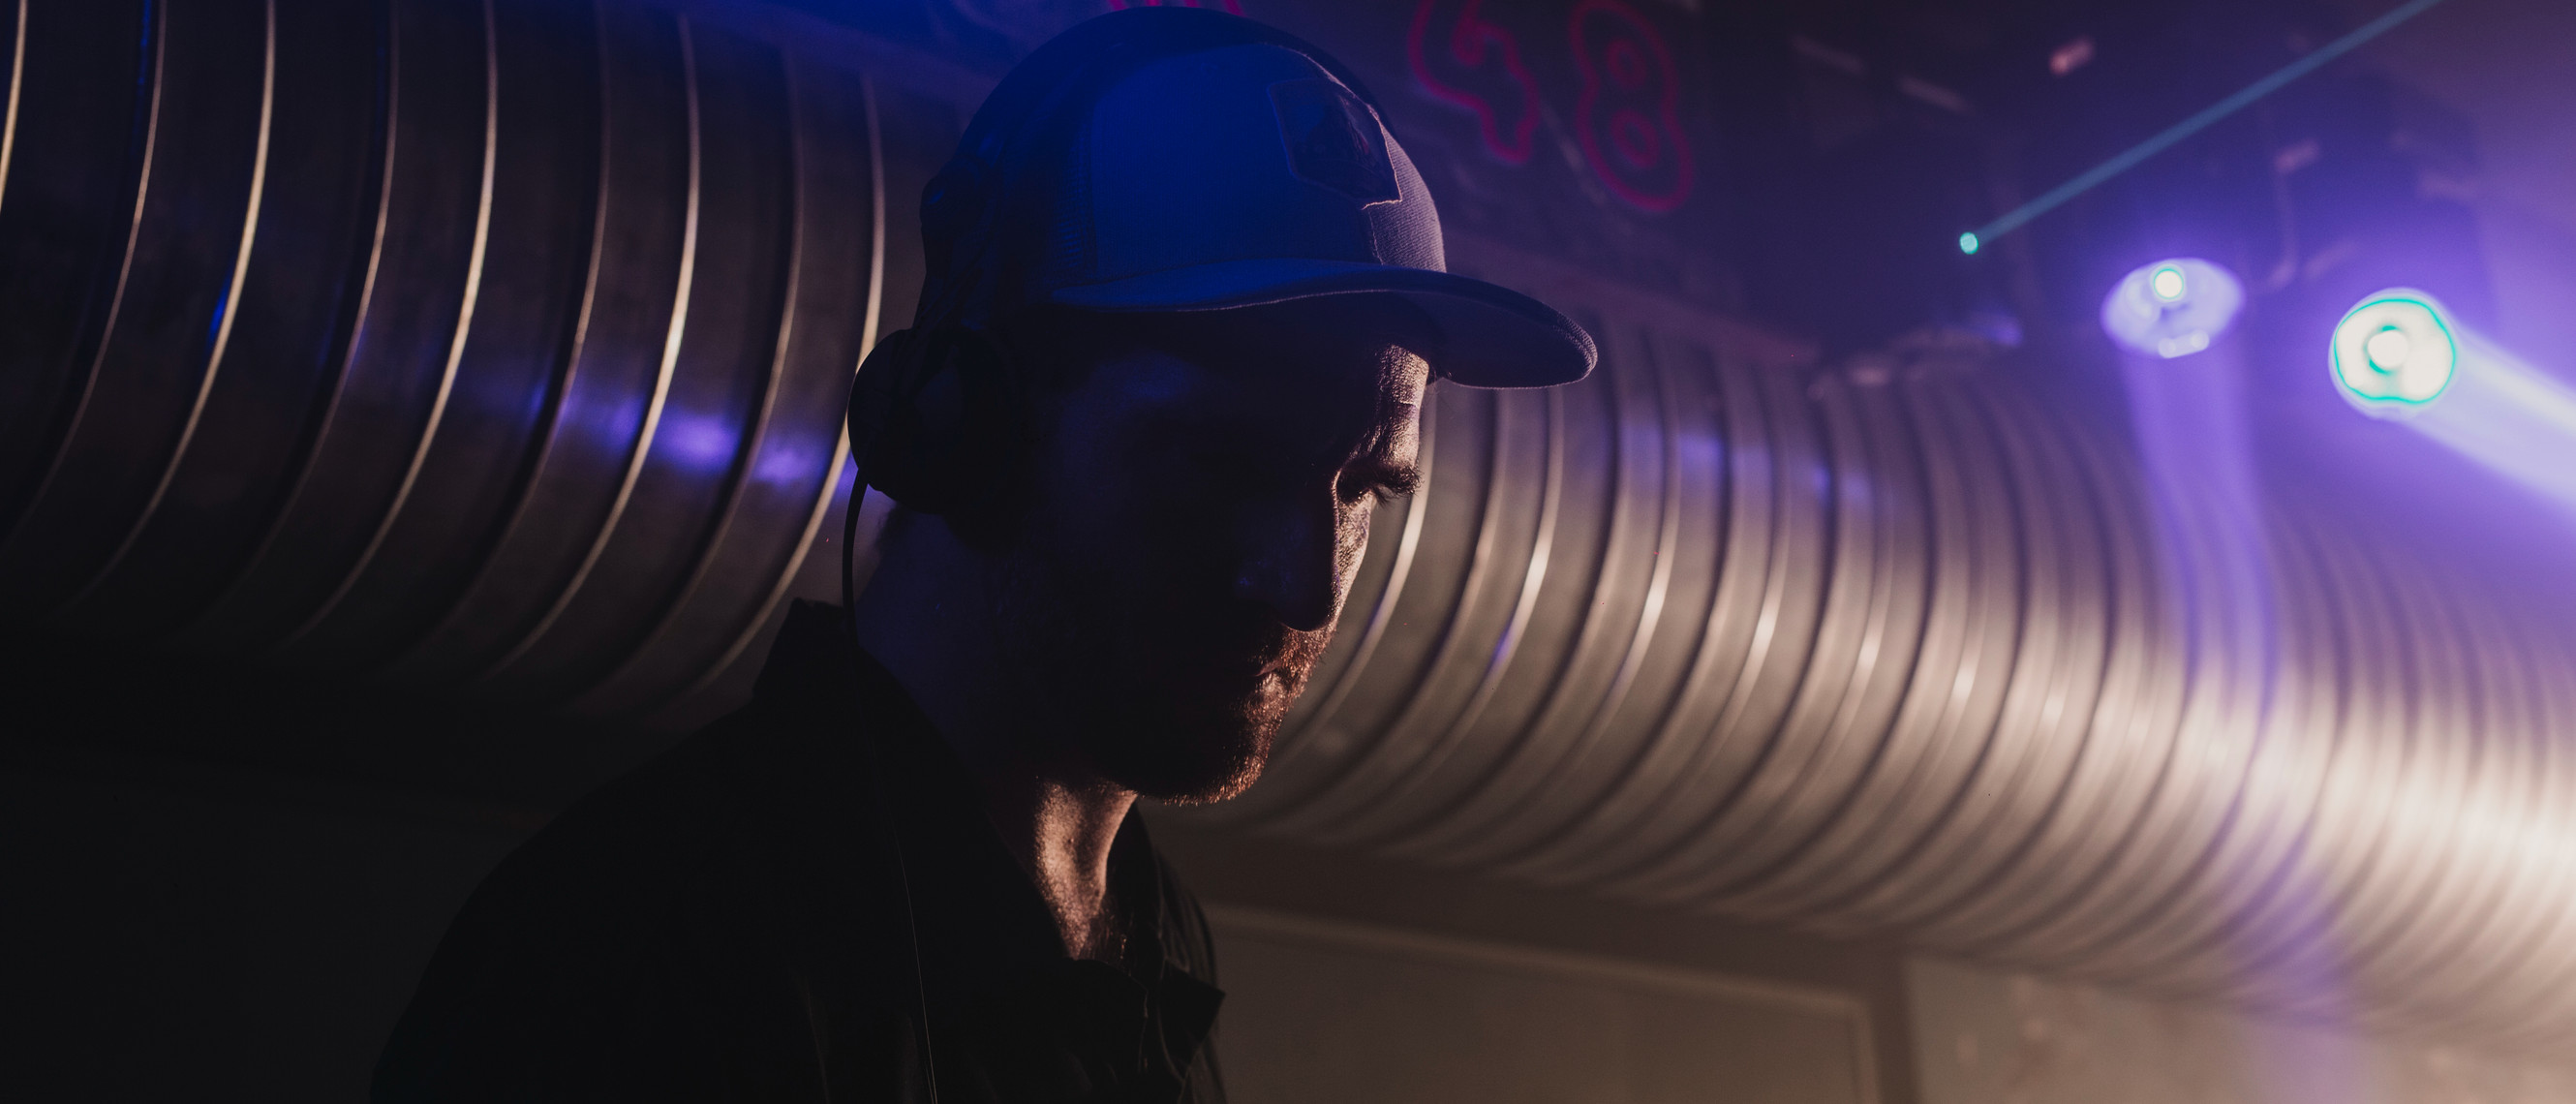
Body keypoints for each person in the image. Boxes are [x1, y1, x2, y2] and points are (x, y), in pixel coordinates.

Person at [372, 8, 1591, 1102]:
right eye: (1217, 463)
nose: (1306, 583)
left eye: (1364, 485)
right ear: (969, 421)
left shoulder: (1146, 925)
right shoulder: (630, 956)